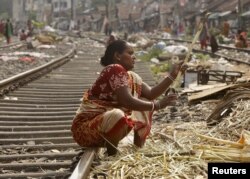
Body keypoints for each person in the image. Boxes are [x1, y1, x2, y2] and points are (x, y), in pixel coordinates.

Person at [71, 40, 187, 155]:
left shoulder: (131, 76)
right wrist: (157, 105)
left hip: (104, 127)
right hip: (85, 130)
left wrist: (173, 75)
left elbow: (151, 93)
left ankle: (138, 149)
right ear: (117, 56)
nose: (134, 57)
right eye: (130, 53)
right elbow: (126, 101)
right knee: (118, 114)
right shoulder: (114, 69)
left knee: (145, 101)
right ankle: (112, 155)